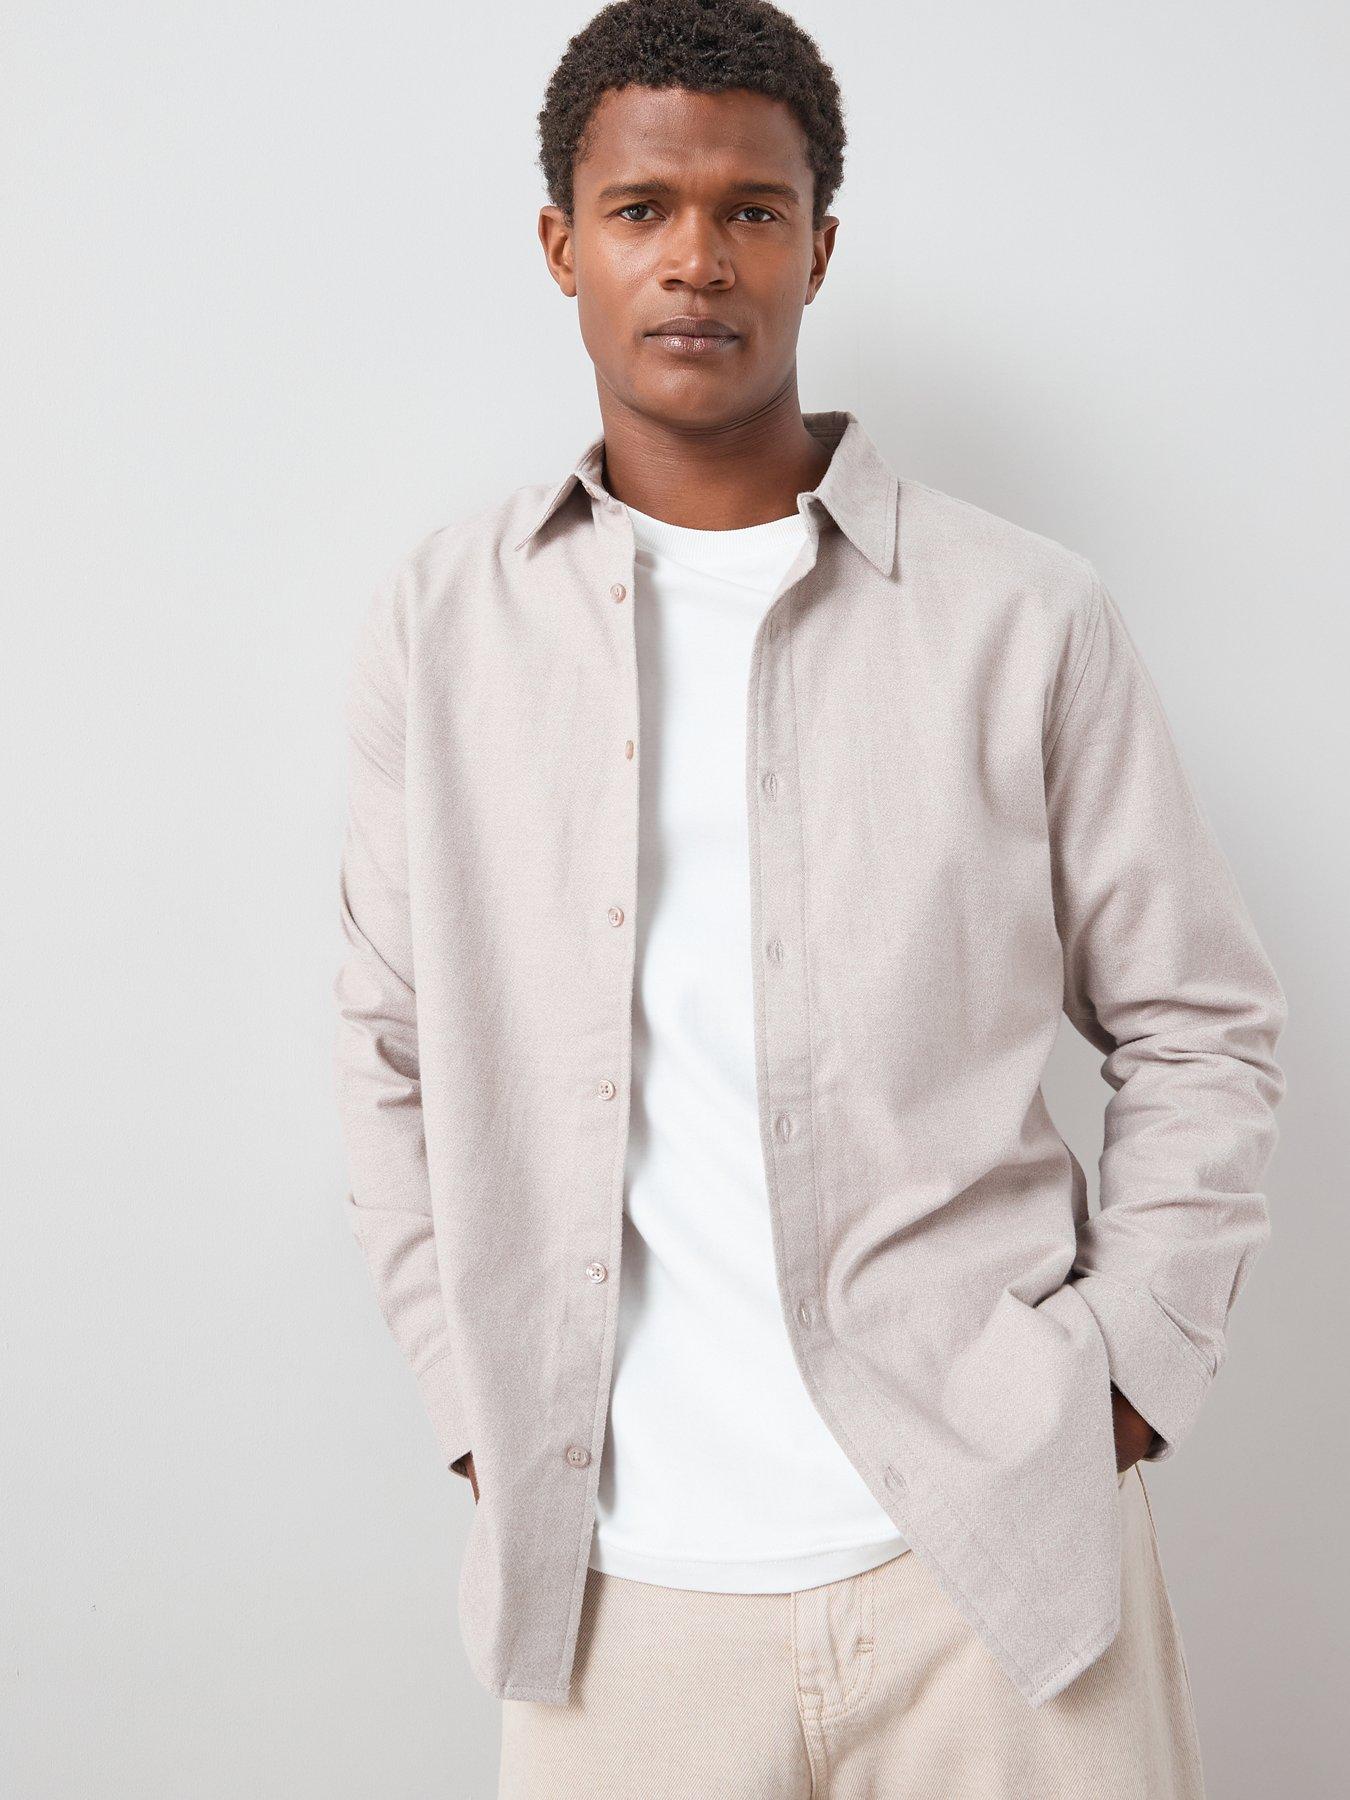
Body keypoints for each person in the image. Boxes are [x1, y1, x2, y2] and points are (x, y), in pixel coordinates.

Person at [331, 2, 1288, 1793]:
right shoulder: (446, 626)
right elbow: (389, 1052)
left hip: (993, 1574)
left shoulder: (1021, 616)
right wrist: (474, 1409)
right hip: (615, 1597)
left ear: (818, 248)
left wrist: (1121, 1375)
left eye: (750, 211)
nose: (696, 259)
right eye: (640, 208)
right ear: (561, 244)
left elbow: (1199, 1021)